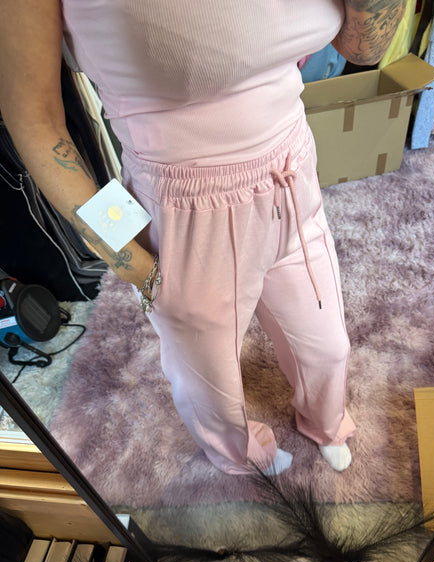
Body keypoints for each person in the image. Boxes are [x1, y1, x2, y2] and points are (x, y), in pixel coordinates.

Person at [0, 1, 404, 476]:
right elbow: (35, 122)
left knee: (327, 344)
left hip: (292, 176)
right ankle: (237, 453)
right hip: (183, 212)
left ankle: (326, 421)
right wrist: (132, 263)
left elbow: (363, 49)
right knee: (208, 380)